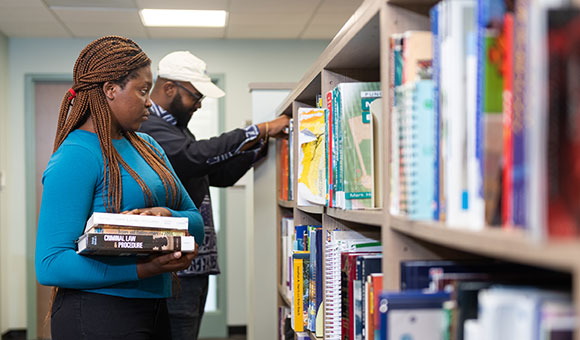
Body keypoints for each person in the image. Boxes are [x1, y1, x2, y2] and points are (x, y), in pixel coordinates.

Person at [35, 36, 205, 340]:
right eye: (142, 90)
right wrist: (142, 270)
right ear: (110, 90)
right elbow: (50, 265)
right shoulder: (76, 155)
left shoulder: (149, 147)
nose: (150, 101)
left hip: (154, 306)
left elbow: (195, 219)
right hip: (97, 312)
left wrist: (166, 214)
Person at [139, 51, 289, 339]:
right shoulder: (149, 127)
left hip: (194, 264)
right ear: (170, 88)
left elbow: (215, 175)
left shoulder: (177, 129)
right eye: (195, 97)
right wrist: (258, 130)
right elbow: (192, 157)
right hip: (174, 266)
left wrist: (258, 146)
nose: (198, 105)